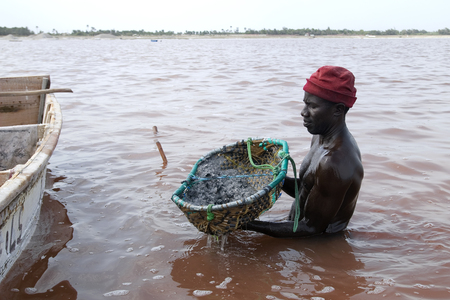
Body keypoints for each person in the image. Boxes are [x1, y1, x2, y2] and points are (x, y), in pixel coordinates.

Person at [245, 66, 364, 238]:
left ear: (338, 110)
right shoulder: (320, 136)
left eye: (312, 106)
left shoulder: (334, 162)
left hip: (318, 243)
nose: (303, 112)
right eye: (305, 103)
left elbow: (311, 228)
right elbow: (306, 189)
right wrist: (270, 175)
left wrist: (246, 224)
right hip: (300, 230)